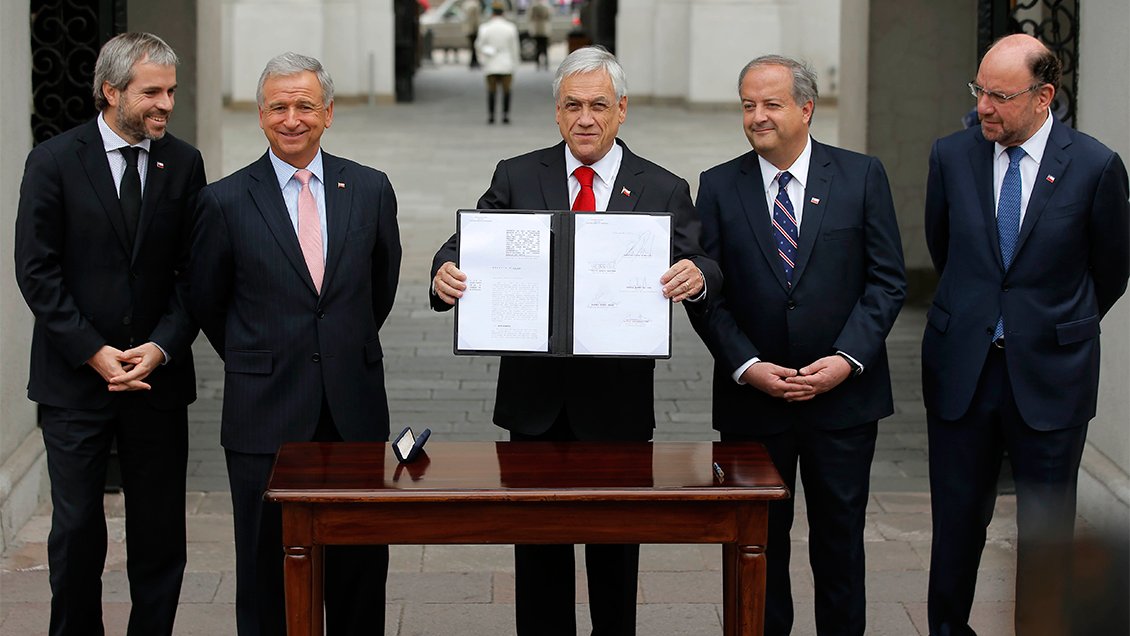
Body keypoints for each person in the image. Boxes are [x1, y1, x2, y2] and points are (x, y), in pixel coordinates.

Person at [430, 46, 721, 636]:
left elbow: (704, 260)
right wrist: (444, 271)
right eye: (572, 106)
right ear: (556, 113)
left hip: (617, 405)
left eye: (598, 106)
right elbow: (469, 243)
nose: (585, 119)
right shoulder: (517, 173)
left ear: (621, 111)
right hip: (533, 404)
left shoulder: (663, 187)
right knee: (538, 556)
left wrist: (699, 277)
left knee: (615, 554)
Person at [688, 55, 906, 636]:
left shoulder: (862, 176)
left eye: (771, 104)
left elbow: (887, 280)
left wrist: (846, 360)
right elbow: (704, 294)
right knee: (758, 547)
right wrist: (747, 365)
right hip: (753, 404)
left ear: (806, 108)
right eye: (747, 105)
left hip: (843, 401)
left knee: (840, 545)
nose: (756, 116)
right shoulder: (716, 186)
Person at [922, 34, 1129, 636]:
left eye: (1000, 96)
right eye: (978, 91)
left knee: (1045, 534)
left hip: (1052, 377)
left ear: (1044, 97)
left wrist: (1052, 325)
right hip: (963, 370)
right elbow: (946, 251)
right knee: (957, 526)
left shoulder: (1095, 166)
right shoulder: (950, 156)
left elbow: (1109, 272)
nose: (984, 107)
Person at [189, 52, 401, 636]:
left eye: (305, 105)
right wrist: (258, 355)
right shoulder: (224, 201)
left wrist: (336, 345)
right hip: (265, 410)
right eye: (278, 107)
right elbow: (208, 301)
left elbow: (376, 291)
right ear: (260, 116)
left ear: (328, 114)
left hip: (352, 407)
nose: (292, 118)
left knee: (359, 565)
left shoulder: (370, 189)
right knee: (264, 566)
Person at [13, 32, 205, 636]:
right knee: (75, 531)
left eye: (171, 92)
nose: (166, 105)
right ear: (111, 91)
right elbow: (36, 271)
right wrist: (93, 352)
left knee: (159, 532)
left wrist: (163, 346)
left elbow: (193, 273)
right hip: (74, 383)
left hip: (156, 382)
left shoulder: (185, 163)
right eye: (152, 92)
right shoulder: (52, 161)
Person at [476, 1, 520, 123]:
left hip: (491, 62)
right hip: (506, 61)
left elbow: (479, 45)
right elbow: (514, 47)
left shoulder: (485, 27)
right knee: (507, 90)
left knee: (491, 90)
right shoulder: (510, 27)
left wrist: (482, 60)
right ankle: (505, 114)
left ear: (492, 12)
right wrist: (515, 63)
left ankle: (491, 115)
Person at [529, 0, 552, 70]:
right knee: (545, 48)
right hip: (544, 29)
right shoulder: (547, 6)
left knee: (538, 47)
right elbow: (549, 16)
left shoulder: (533, 6)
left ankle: (538, 63)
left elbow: (530, 17)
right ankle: (546, 63)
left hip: (537, 29)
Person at [463, 0, 482, 68]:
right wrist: (476, 28)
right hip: (473, 28)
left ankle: (473, 60)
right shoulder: (474, 5)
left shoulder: (466, 4)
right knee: (474, 46)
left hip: (468, 28)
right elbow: (474, 19)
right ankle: (474, 61)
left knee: (472, 46)